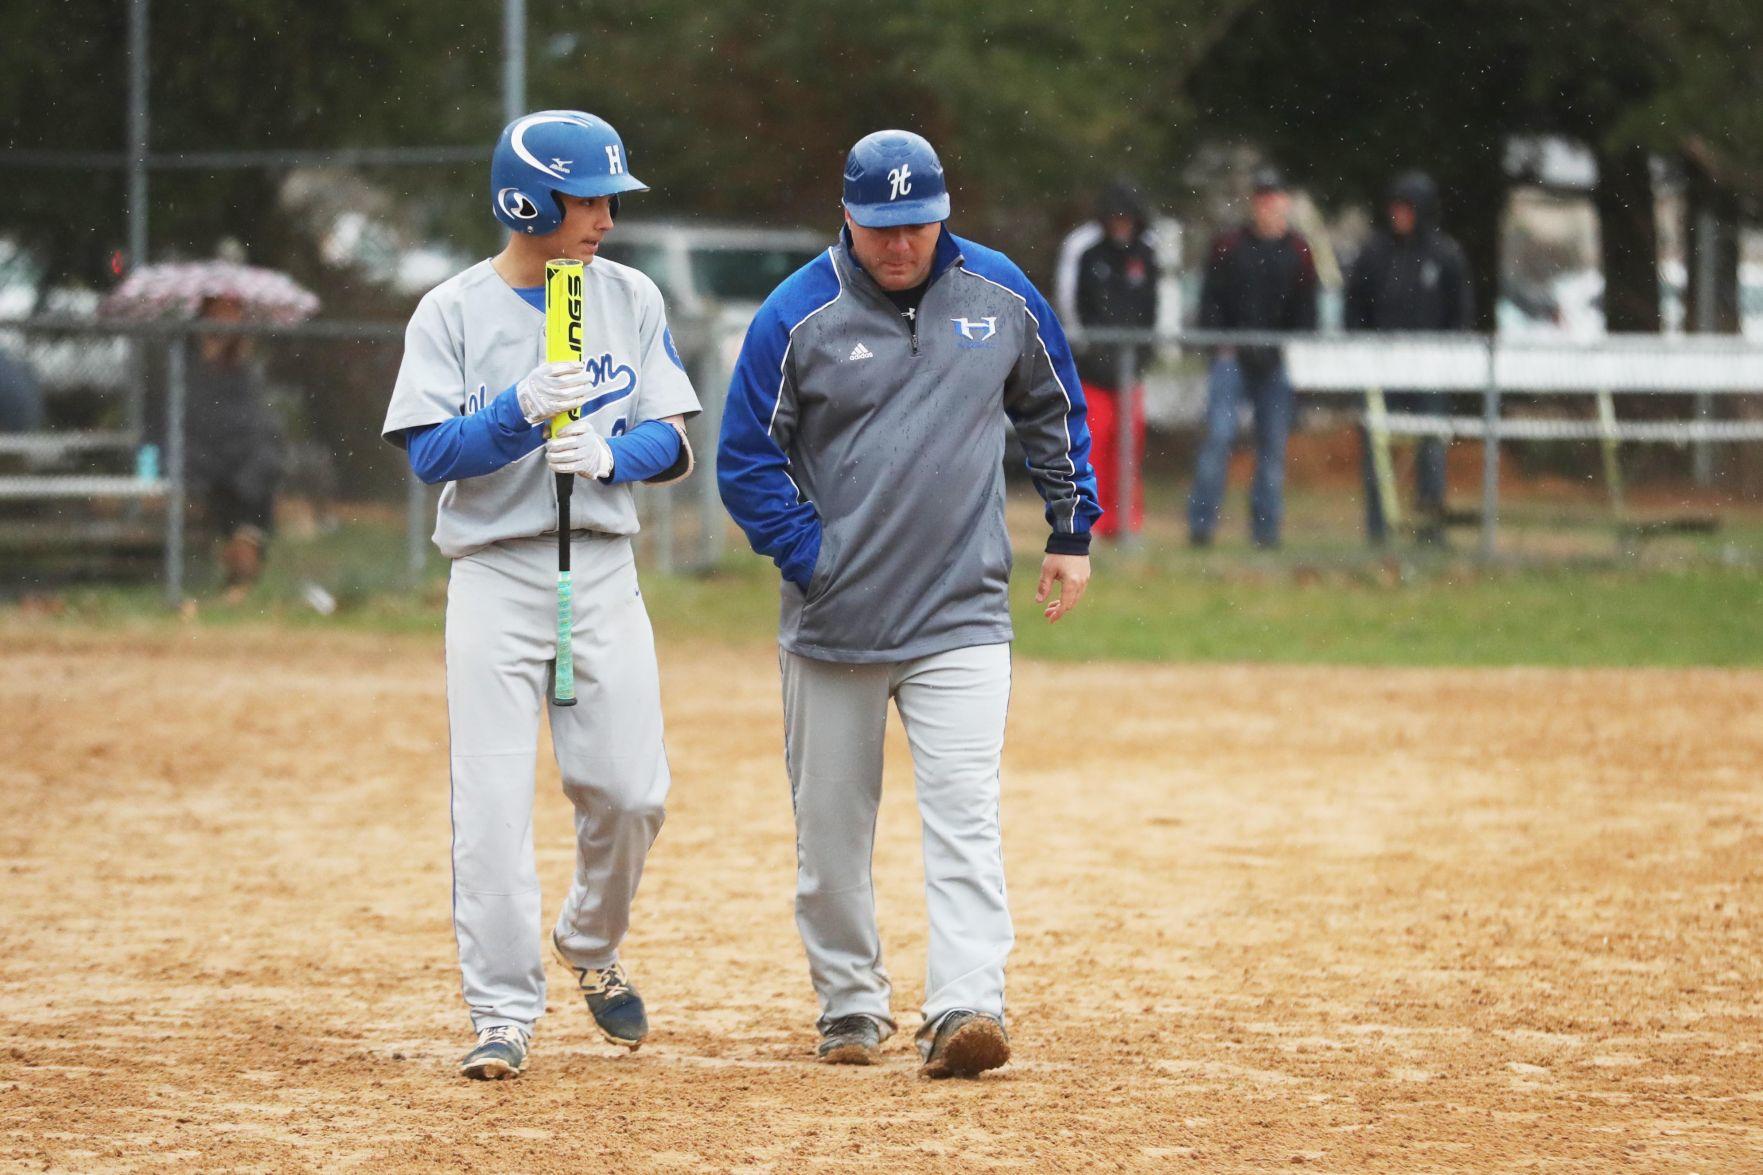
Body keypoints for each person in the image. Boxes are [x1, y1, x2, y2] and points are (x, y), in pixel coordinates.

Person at [717, 130, 1102, 1079]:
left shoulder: (1000, 293)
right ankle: (849, 1001)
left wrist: (1068, 528)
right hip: (834, 622)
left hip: (961, 611)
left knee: (965, 813)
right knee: (832, 834)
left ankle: (966, 1001)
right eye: (882, 228)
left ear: (944, 215)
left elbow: (1051, 405)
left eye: (919, 226)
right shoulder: (794, 315)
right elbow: (745, 460)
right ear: (845, 217)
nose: (901, 245)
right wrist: (814, 558)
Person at [380, 110, 700, 1081]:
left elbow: (674, 439)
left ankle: (588, 937)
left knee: (631, 791)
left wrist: (608, 452)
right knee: (488, 807)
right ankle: (502, 1009)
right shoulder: (451, 310)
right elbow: (430, 451)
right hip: (496, 571)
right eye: (586, 198)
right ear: (527, 201)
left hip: (599, 568)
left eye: (607, 198)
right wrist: (516, 412)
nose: (602, 217)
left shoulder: (631, 297)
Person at [1187, 166, 1318, 549]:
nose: (1268, 207)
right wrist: (1221, 342)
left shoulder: (1298, 251)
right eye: (1261, 199)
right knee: (1219, 439)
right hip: (1232, 357)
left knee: (1272, 447)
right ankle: (1202, 525)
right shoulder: (1229, 245)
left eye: (1274, 199)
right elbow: (1211, 299)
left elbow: (1305, 308)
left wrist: (1291, 348)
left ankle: (1266, 531)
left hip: (1276, 361)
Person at [1345, 171, 1475, 546]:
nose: (1398, 216)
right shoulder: (1374, 254)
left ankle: (1429, 529)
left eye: (1407, 209)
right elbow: (1356, 309)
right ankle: (1379, 527)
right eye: (1395, 208)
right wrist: (1366, 350)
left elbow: (1459, 312)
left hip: (1428, 372)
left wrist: (1445, 356)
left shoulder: (1445, 254)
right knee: (1376, 450)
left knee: (1431, 449)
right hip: (1382, 371)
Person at [1054, 179, 1160, 539]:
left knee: (1128, 446)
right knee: (1091, 445)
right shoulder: (1084, 248)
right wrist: (1087, 347)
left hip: (1130, 370)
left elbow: (1154, 305)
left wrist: (1144, 352)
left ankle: (1126, 522)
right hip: (1091, 369)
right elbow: (1070, 301)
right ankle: (1090, 521)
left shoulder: (1146, 252)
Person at [184, 293, 284, 599]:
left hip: (248, 459)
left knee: (247, 525)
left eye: (231, 312)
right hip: (209, 458)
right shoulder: (190, 358)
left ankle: (243, 583)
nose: (224, 321)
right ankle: (231, 580)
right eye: (218, 313)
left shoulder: (246, 363)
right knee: (228, 525)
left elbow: (253, 418)